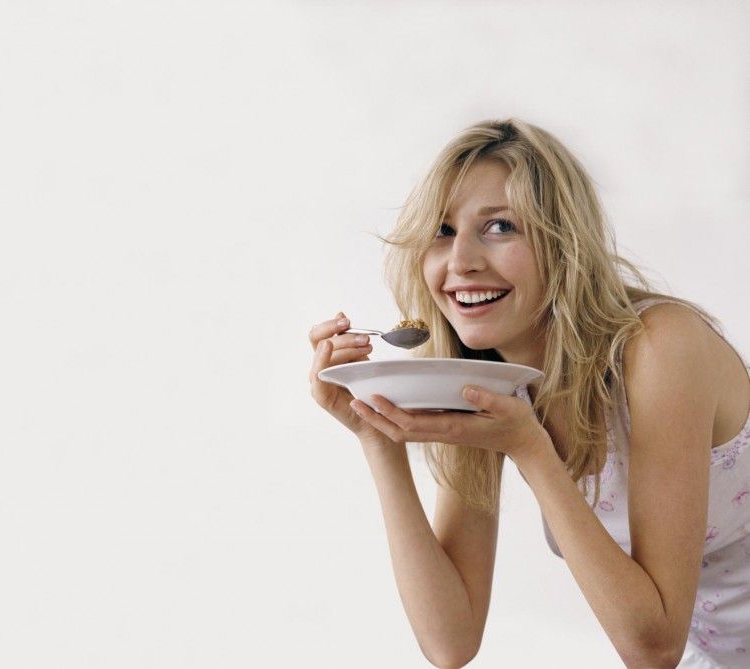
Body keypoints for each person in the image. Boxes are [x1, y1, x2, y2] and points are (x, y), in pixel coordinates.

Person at [307, 119, 749, 668]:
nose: (460, 260)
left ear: (564, 245)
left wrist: (532, 450)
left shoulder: (660, 348)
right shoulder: (484, 380)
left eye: (499, 227)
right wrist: (378, 441)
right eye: (442, 231)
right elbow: (451, 642)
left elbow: (654, 646)